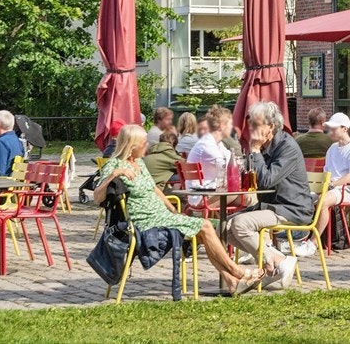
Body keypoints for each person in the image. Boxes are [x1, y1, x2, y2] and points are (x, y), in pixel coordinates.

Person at [94, 123, 267, 296]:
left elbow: (155, 189)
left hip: (161, 216)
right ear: (131, 147)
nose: (147, 146)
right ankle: (237, 271)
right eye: (143, 143)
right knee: (205, 225)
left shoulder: (139, 162)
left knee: (203, 230)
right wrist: (114, 174)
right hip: (144, 221)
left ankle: (231, 282)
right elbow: (97, 197)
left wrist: (174, 211)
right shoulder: (115, 165)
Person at [224, 101, 312, 289]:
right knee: (224, 227)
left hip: (291, 208)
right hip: (270, 205)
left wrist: (254, 151)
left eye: (256, 125)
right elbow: (251, 182)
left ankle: (277, 263)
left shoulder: (287, 147)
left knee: (241, 224)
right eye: (250, 124)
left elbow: (265, 181)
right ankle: (276, 262)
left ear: (271, 126)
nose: (251, 129)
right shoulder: (264, 146)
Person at [315, 112, 350, 242]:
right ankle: (302, 236)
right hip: (332, 188)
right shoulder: (332, 149)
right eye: (329, 129)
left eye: (334, 129)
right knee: (302, 199)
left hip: (349, 190)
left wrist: (333, 184)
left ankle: (313, 242)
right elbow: (326, 171)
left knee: (323, 201)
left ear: (344, 129)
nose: (330, 132)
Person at [189, 106, 236, 181]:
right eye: (230, 124)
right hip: (203, 191)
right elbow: (231, 167)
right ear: (222, 126)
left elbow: (231, 159)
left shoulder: (216, 143)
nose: (232, 127)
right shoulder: (207, 146)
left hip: (210, 189)